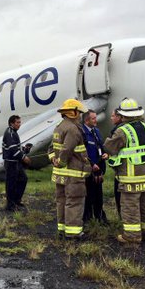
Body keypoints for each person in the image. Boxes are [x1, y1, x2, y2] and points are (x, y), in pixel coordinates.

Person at [104, 98, 145, 244]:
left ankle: (132, 237)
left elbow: (110, 148)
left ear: (123, 115)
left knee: (130, 207)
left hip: (130, 177)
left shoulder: (122, 131)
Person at [48, 99, 91, 240]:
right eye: (79, 113)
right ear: (72, 113)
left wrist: (53, 159)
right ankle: (73, 233)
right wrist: (60, 161)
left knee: (61, 201)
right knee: (74, 201)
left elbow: (51, 148)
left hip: (60, 175)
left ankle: (62, 229)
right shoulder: (73, 129)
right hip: (73, 173)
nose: (80, 116)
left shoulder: (59, 127)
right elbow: (67, 149)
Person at [82, 110, 108, 224]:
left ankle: (100, 216)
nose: (96, 120)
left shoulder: (96, 131)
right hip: (88, 170)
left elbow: (101, 148)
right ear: (86, 120)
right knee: (88, 196)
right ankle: (87, 218)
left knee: (98, 195)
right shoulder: (82, 132)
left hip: (99, 169)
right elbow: (82, 153)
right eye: (93, 118)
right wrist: (91, 165)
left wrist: (105, 155)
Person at [2, 115, 31, 211]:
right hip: (11, 163)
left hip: (16, 162)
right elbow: (13, 149)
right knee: (11, 184)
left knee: (23, 179)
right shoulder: (9, 133)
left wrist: (25, 149)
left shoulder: (13, 132)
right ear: (11, 123)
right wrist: (24, 157)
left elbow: (16, 147)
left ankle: (16, 201)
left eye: (20, 122)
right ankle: (10, 205)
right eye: (17, 122)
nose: (19, 124)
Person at [108, 109, 124, 218]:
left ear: (119, 117)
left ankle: (123, 220)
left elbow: (109, 147)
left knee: (121, 198)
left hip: (122, 171)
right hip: (141, 173)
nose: (111, 118)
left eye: (113, 116)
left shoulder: (119, 131)